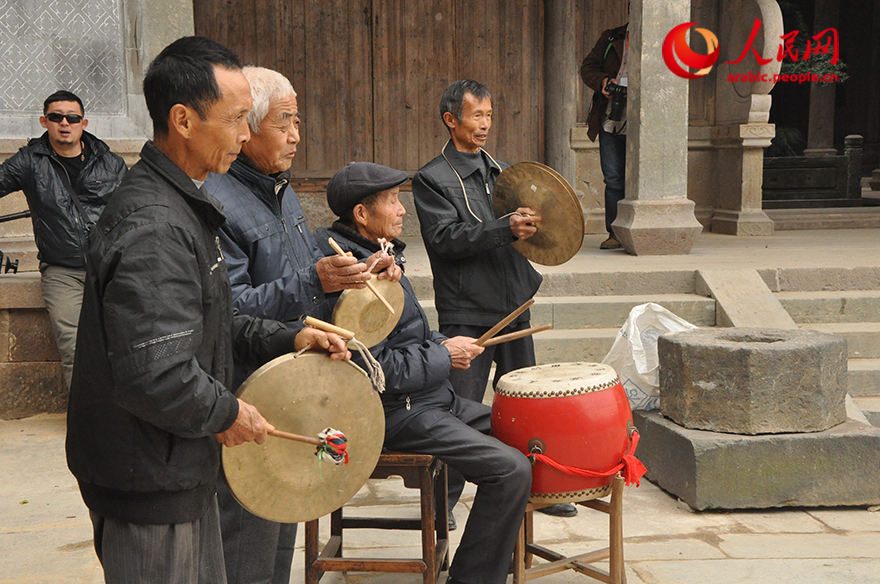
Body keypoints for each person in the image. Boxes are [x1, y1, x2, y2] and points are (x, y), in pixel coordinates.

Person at [65, 36, 349, 584]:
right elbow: (159, 375)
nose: (247, 135)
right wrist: (229, 414)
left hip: (177, 464)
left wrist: (289, 338)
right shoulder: (154, 223)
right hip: (147, 475)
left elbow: (214, 321)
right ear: (184, 119)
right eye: (237, 118)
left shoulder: (185, 202)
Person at [204, 66, 398, 584]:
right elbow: (233, 308)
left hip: (292, 376)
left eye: (297, 121)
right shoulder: (218, 201)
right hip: (249, 385)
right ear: (247, 126)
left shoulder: (279, 189)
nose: (296, 135)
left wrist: (358, 267)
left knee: (281, 514)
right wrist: (316, 282)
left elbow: (302, 264)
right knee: (247, 529)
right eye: (284, 122)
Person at [316, 161, 533, 584]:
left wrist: (440, 345)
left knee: (528, 433)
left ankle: (494, 552)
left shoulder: (380, 255)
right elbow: (377, 369)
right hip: (394, 414)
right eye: (393, 201)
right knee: (510, 469)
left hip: (430, 400)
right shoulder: (350, 273)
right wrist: (443, 357)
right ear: (361, 214)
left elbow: (411, 334)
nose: (402, 210)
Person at [412, 81, 575, 517]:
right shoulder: (432, 178)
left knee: (528, 404)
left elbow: (526, 229)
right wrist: (506, 227)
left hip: (514, 304)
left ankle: (542, 488)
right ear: (451, 120)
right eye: (476, 116)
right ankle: (442, 503)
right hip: (468, 312)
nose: (484, 125)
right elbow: (445, 239)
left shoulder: (505, 171)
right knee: (456, 413)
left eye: (489, 115)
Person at [0, 90, 127, 387]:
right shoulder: (29, 162)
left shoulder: (112, 163)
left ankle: (124, 422)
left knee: (125, 340)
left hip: (111, 266)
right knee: (73, 346)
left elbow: (135, 211)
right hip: (62, 270)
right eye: (56, 117)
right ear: (45, 121)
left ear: (83, 123)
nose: (64, 123)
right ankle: (87, 424)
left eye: (72, 117)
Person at [580, 22, 629, 250]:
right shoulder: (611, 36)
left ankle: (638, 229)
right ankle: (615, 232)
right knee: (613, 178)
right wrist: (604, 81)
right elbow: (587, 67)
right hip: (611, 117)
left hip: (645, 121)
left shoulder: (664, 39)